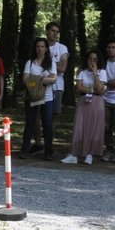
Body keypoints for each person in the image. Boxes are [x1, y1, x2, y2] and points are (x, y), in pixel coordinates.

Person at [62, 51, 105, 165]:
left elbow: (100, 90)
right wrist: (92, 89)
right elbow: (79, 88)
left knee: (93, 127)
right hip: (84, 101)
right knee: (79, 126)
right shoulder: (82, 72)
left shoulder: (102, 72)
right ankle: (74, 154)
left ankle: (89, 154)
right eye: (90, 59)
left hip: (97, 102)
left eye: (95, 59)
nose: (92, 61)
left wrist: (95, 74)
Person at [21, 37, 58, 160]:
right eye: (38, 46)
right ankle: (25, 149)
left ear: (46, 49)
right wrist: (41, 80)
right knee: (30, 123)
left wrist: (38, 79)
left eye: (42, 46)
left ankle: (48, 151)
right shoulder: (29, 63)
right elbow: (25, 80)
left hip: (47, 98)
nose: (40, 49)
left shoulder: (51, 63)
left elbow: (53, 79)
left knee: (47, 124)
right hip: (32, 97)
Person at [45, 22, 69, 153]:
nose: (55, 34)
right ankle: (38, 143)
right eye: (53, 31)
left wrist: (46, 66)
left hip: (57, 86)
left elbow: (62, 68)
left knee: (54, 115)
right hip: (41, 86)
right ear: (47, 31)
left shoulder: (62, 48)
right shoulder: (41, 46)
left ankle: (49, 142)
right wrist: (54, 65)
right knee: (38, 114)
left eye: (57, 32)